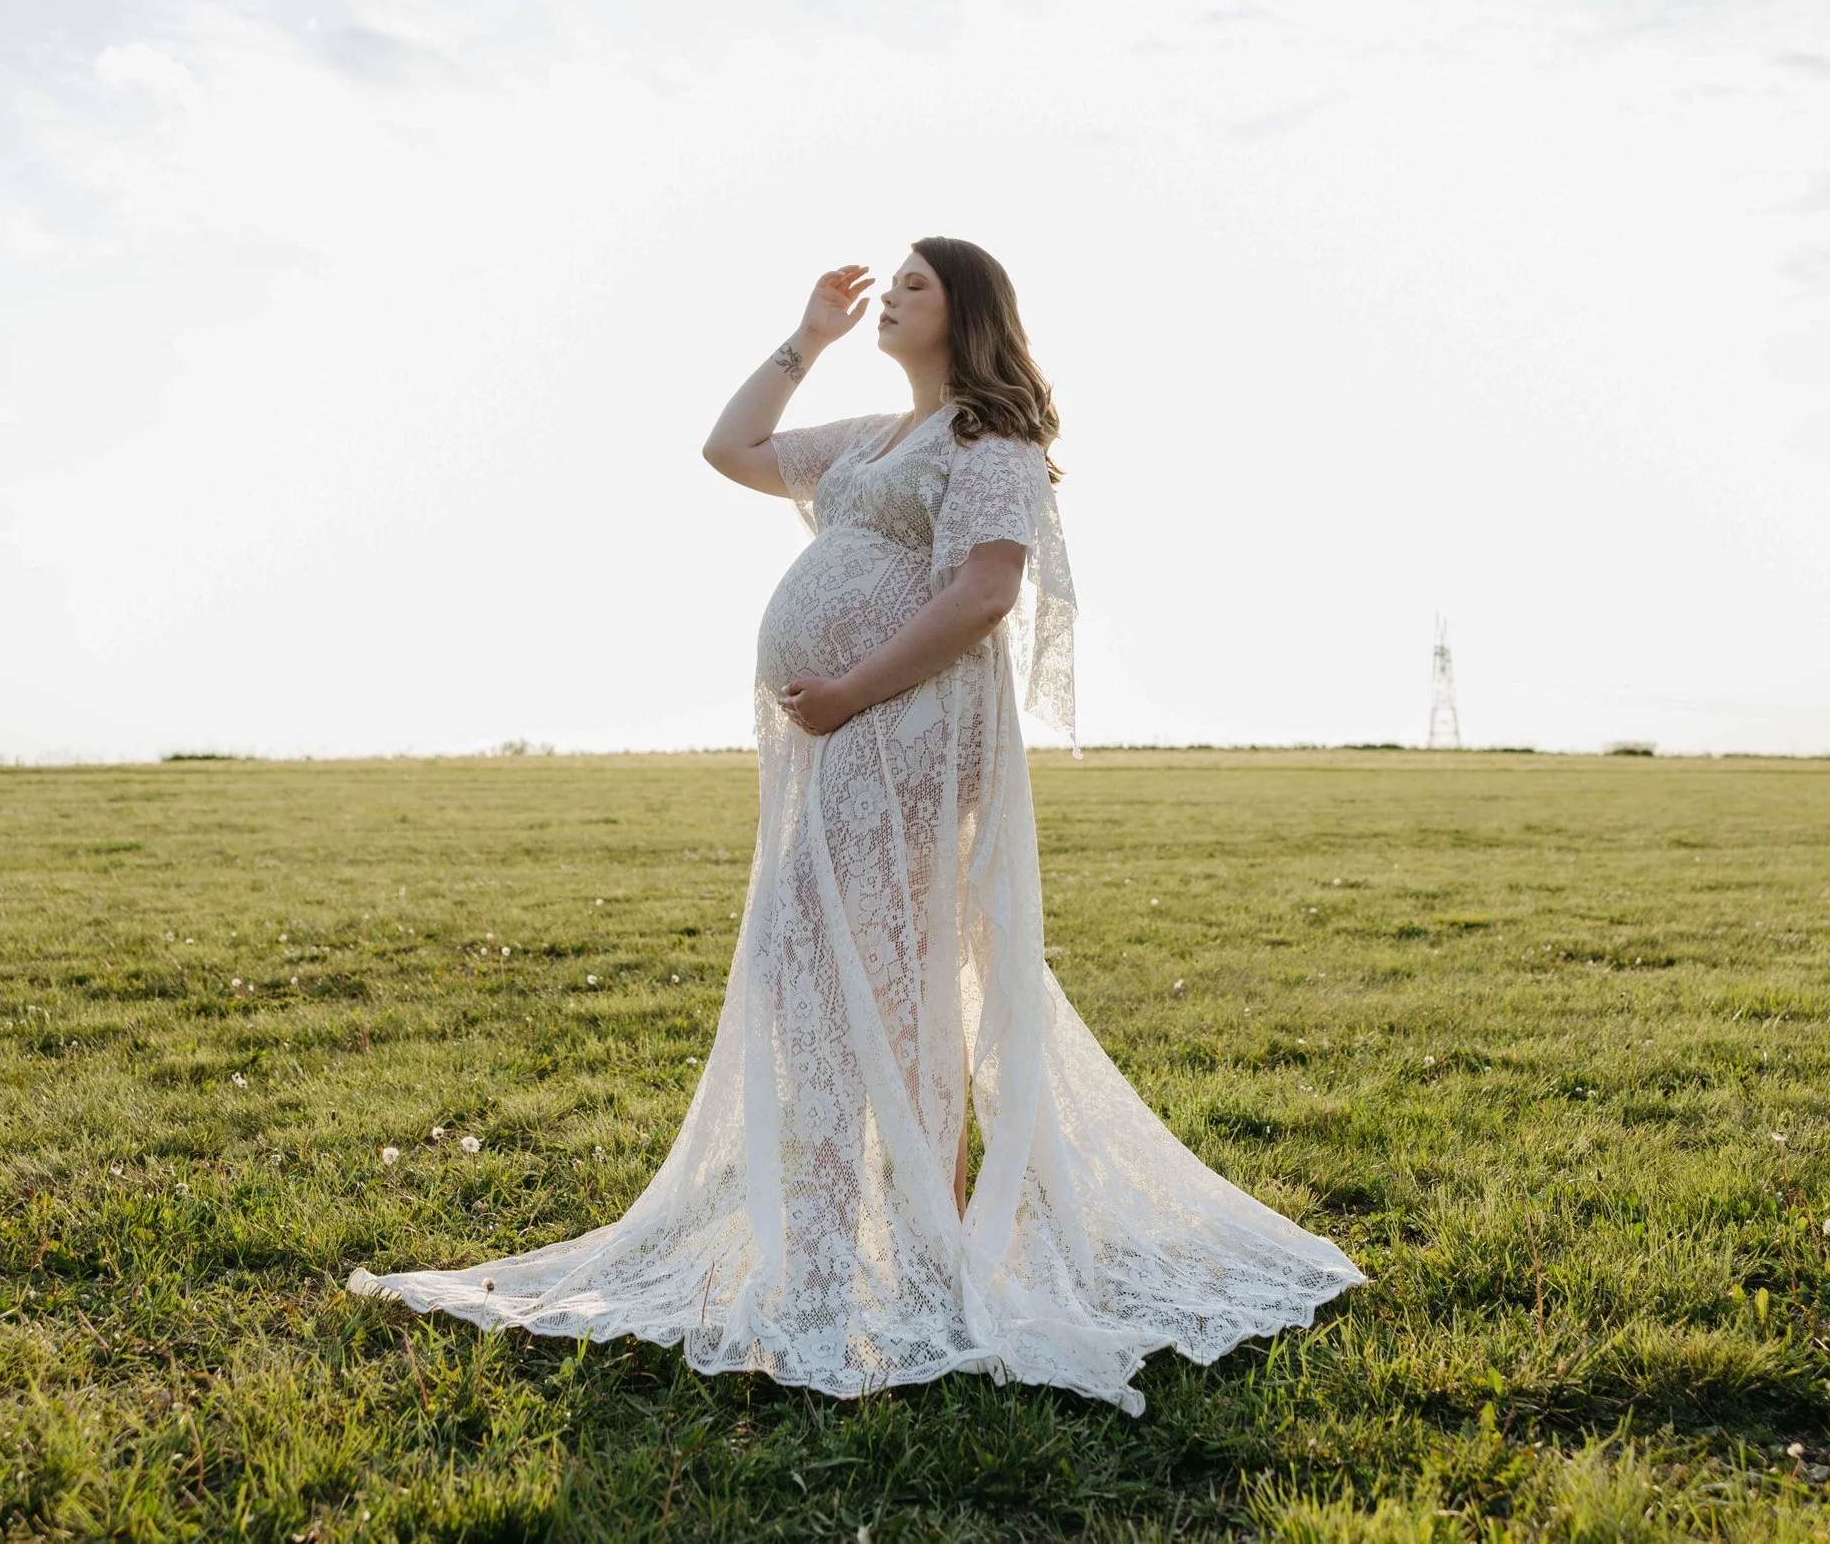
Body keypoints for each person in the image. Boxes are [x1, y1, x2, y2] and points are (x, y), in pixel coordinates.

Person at [348, 238, 1364, 1414]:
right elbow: (728, 447)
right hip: (845, 736)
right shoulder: (876, 435)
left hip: (908, 732)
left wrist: (852, 689)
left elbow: (984, 592)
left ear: (968, 309)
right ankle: (840, 1259)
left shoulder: (991, 441)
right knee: (818, 975)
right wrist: (807, 338)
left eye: (915, 284)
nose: (892, 294)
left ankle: (903, 1264)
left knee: (873, 980)